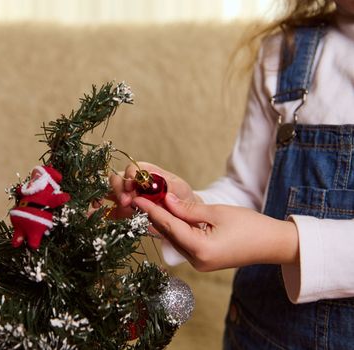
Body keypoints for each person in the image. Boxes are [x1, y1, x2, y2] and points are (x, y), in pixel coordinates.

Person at [110, 0, 354, 348]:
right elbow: (250, 191)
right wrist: (187, 205)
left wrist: (287, 242)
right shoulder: (286, 53)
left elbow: (269, 233)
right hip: (260, 335)